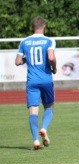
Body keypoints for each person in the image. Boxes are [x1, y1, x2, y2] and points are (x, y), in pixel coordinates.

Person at [15, 16, 57, 150]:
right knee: (49, 106)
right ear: (44, 26)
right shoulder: (49, 40)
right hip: (46, 80)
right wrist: (54, 67)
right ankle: (44, 128)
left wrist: (26, 60)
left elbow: (17, 62)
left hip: (32, 81)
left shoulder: (24, 42)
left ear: (32, 27)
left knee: (33, 111)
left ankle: (35, 141)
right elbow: (51, 57)